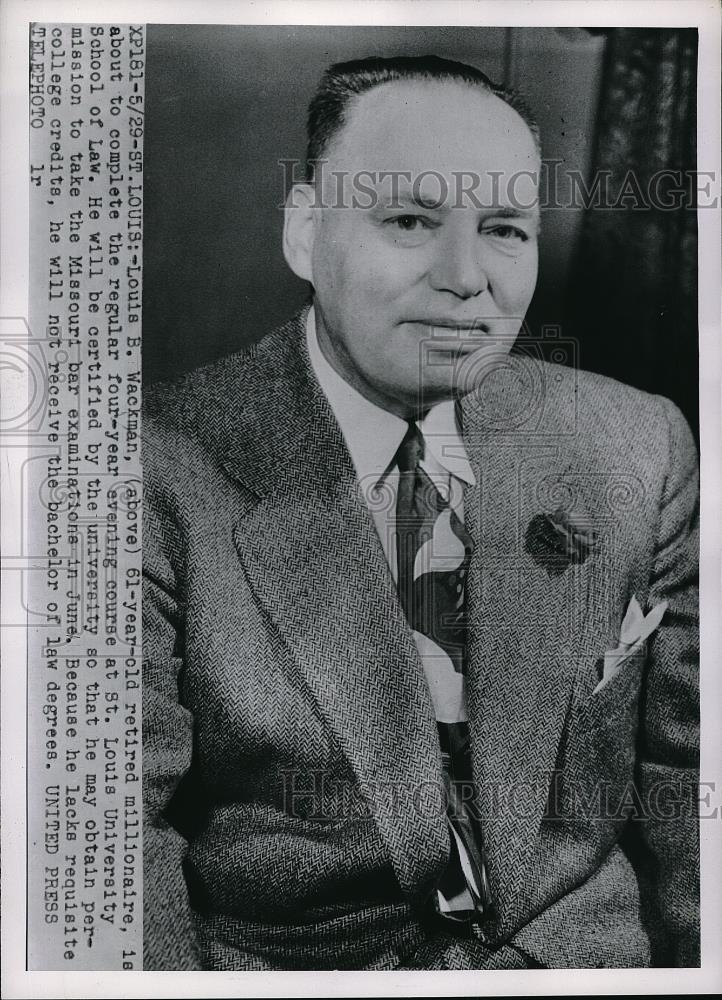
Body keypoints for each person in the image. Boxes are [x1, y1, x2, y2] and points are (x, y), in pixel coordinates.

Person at [142, 55, 699, 970]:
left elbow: (693, 787)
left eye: (506, 230)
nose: (467, 278)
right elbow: (112, 834)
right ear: (305, 236)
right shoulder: (150, 471)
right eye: (409, 220)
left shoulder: (639, 445)